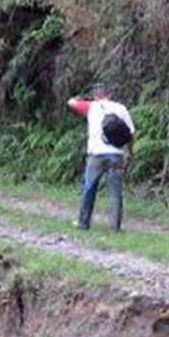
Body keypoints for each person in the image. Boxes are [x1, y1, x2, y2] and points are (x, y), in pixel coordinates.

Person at [67, 84, 135, 232]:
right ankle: (115, 227)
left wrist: (79, 98)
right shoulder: (121, 108)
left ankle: (83, 223)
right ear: (109, 94)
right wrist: (130, 152)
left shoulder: (91, 106)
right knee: (116, 192)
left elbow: (71, 103)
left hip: (96, 154)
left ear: (95, 95)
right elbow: (130, 133)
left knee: (89, 188)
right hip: (116, 155)